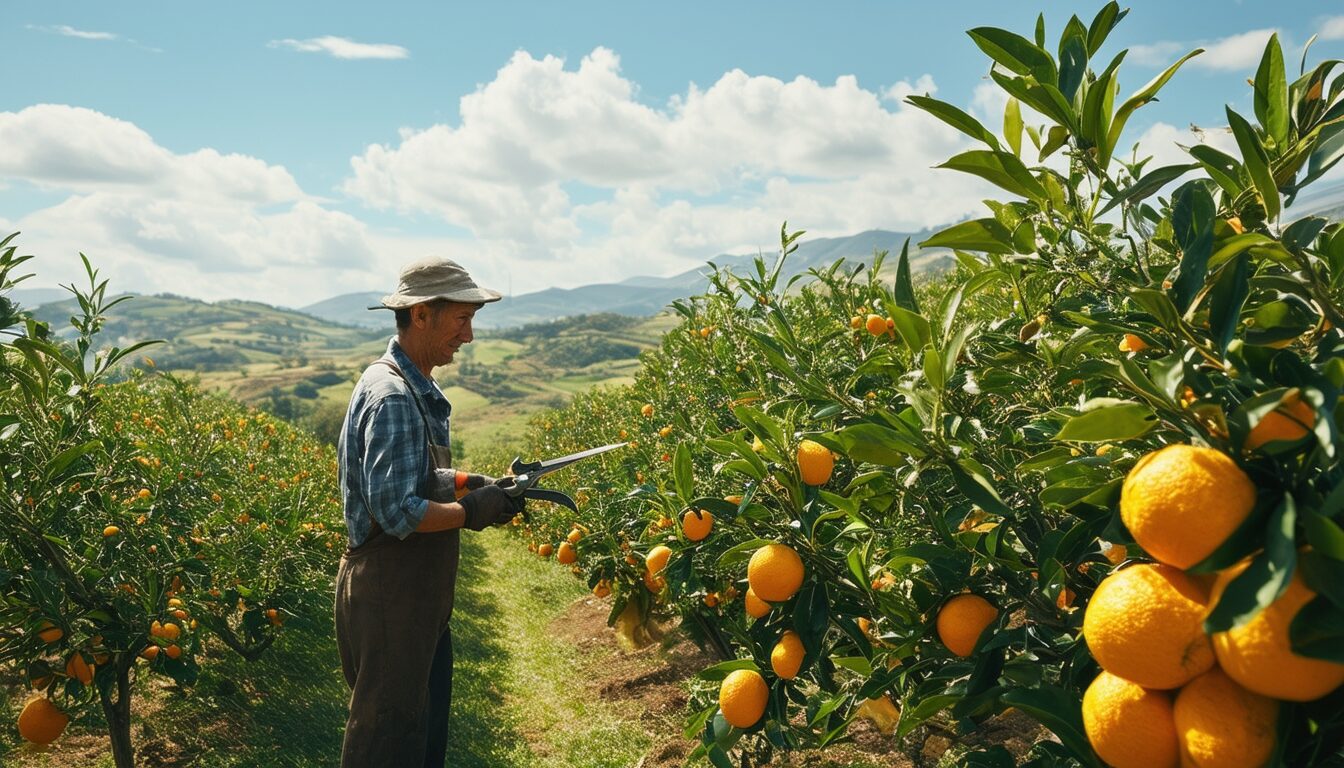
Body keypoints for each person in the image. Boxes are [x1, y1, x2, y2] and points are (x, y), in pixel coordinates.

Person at [334, 255, 525, 768]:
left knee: (417, 731)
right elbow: (398, 512)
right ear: (421, 315)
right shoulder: (394, 394)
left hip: (413, 597)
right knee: (387, 739)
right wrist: (471, 511)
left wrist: (472, 484)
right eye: (462, 319)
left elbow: (414, 479)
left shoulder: (413, 386)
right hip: (389, 591)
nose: (468, 335)